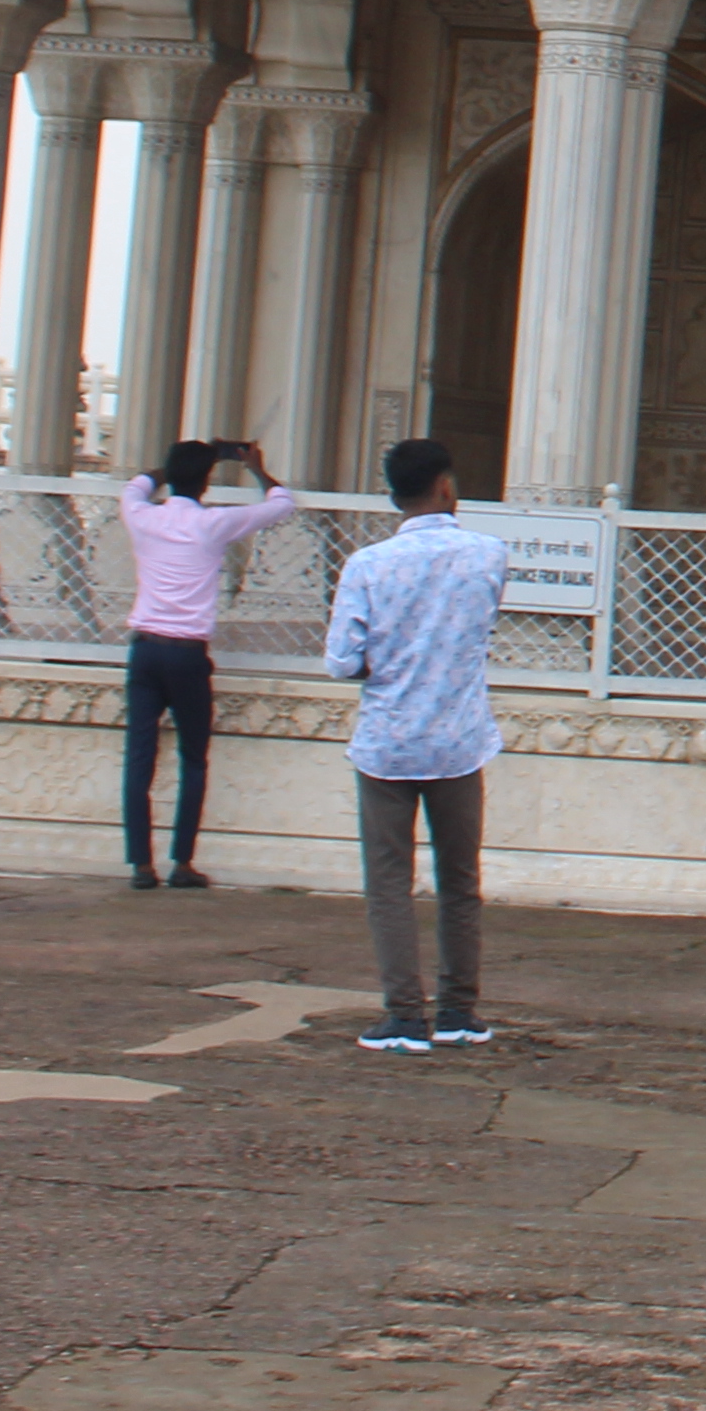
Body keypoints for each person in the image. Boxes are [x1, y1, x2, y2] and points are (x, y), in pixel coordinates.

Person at [322, 439, 506, 1053]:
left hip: (388, 743)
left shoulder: (369, 565)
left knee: (389, 883)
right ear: (447, 486)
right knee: (460, 880)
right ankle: (459, 1010)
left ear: (393, 494)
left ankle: (403, 1014)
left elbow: (341, 662)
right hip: (457, 739)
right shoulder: (487, 555)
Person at [116, 437, 301, 890]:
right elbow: (282, 503)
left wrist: (173, 465)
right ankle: (182, 862)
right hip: (187, 653)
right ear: (206, 482)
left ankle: (141, 864)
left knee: (139, 760)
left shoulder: (142, 515)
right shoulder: (214, 523)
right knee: (193, 759)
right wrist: (254, 467)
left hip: (145, 650)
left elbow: (138, 485)